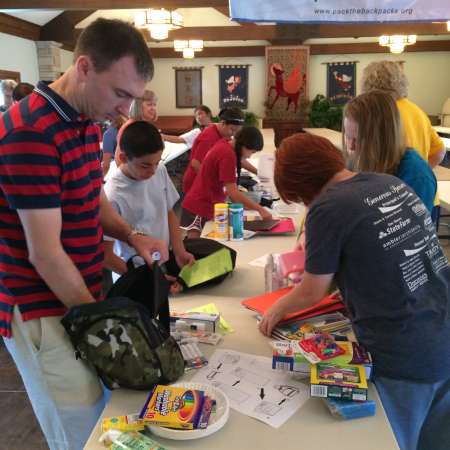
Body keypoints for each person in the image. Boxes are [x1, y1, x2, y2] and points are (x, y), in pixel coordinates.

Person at [0, 18, 168, 450]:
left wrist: (132, 236)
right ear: (84, 67)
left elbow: (91, 197)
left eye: (133, 98)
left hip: (77, 295)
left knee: (103, 406)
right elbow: (45, 254)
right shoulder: (30, 134)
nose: (125, 111)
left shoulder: (82, 120)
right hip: (41, 307)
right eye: (120, 93)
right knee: (79, 428)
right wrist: (103, 325)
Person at [259, 133, 450, 450]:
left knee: (395, 440)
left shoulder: (327, 207)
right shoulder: (388, 183)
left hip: (406, 351)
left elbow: (312, 290)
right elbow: (385, 257)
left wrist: (278, 307)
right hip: (443, 329)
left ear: (302, 187)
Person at [104, 121, 194, 289]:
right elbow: (106, 255)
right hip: (132, 274)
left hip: (160, 264)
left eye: (156, 162)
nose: (152, 171)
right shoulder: (112, 194)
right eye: (145, 165)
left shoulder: (159, 170)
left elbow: (168, 212)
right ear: (123, 158)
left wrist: (179, 251)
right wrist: (142, 278)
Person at [343, 89, 437, 213]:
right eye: (348, 137)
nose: (351, 147)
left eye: (358, 139)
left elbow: (410, 229)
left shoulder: (417, 176)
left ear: (383, 137)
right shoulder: (364, 158)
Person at [180, 126, 273, 238]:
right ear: (243, 145)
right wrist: (260, 209)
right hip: (199, 205)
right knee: (195, 246)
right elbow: (233, 193)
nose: (249, 156)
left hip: (209, 202)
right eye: (251, 152)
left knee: (201, 244)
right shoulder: (227, 155)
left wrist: (259, 173)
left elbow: (241, 161)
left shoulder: (226, 144)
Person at [361, 60, 445, 169]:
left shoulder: (374, 112)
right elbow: (439, 151)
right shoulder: (417, 111)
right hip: (415, 184)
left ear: (368, 83)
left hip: (389, 184)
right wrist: (423, 172)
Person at [182, 107, 244, 194]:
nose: (233, 134)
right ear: (222, 123)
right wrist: (214, 184)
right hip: (196, 184)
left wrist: (258, 172)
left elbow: (237, 157)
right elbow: (195, 164)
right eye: (232, 130)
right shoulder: (208, 137)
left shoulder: (225, 135)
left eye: (236, 131)